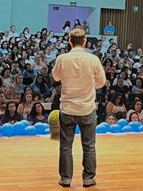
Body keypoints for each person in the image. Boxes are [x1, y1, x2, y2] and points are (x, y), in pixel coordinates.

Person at [52, 28, 106, 188]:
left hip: (68, 108)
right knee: (89, 146)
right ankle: (88, 179)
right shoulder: (93, 59)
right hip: (87, 108)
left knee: (65, 146)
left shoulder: (62, 58)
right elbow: (102, 82)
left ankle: (66, 178)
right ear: (85, 41)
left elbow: (55, 77)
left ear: (69, 41)